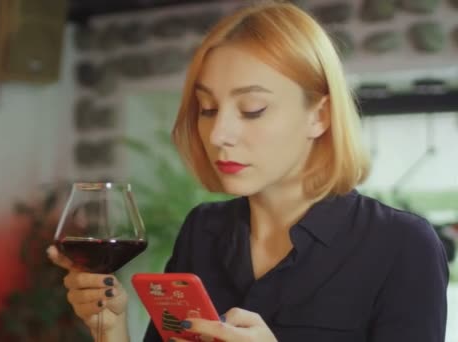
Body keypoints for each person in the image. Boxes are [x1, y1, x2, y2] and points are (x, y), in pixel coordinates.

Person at [48, 1, 449, 341]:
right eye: (207, 109)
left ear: (320, 116)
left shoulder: (402, 245)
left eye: (252, 109)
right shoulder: (202, 231)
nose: (219, 133)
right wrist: (112, 329)